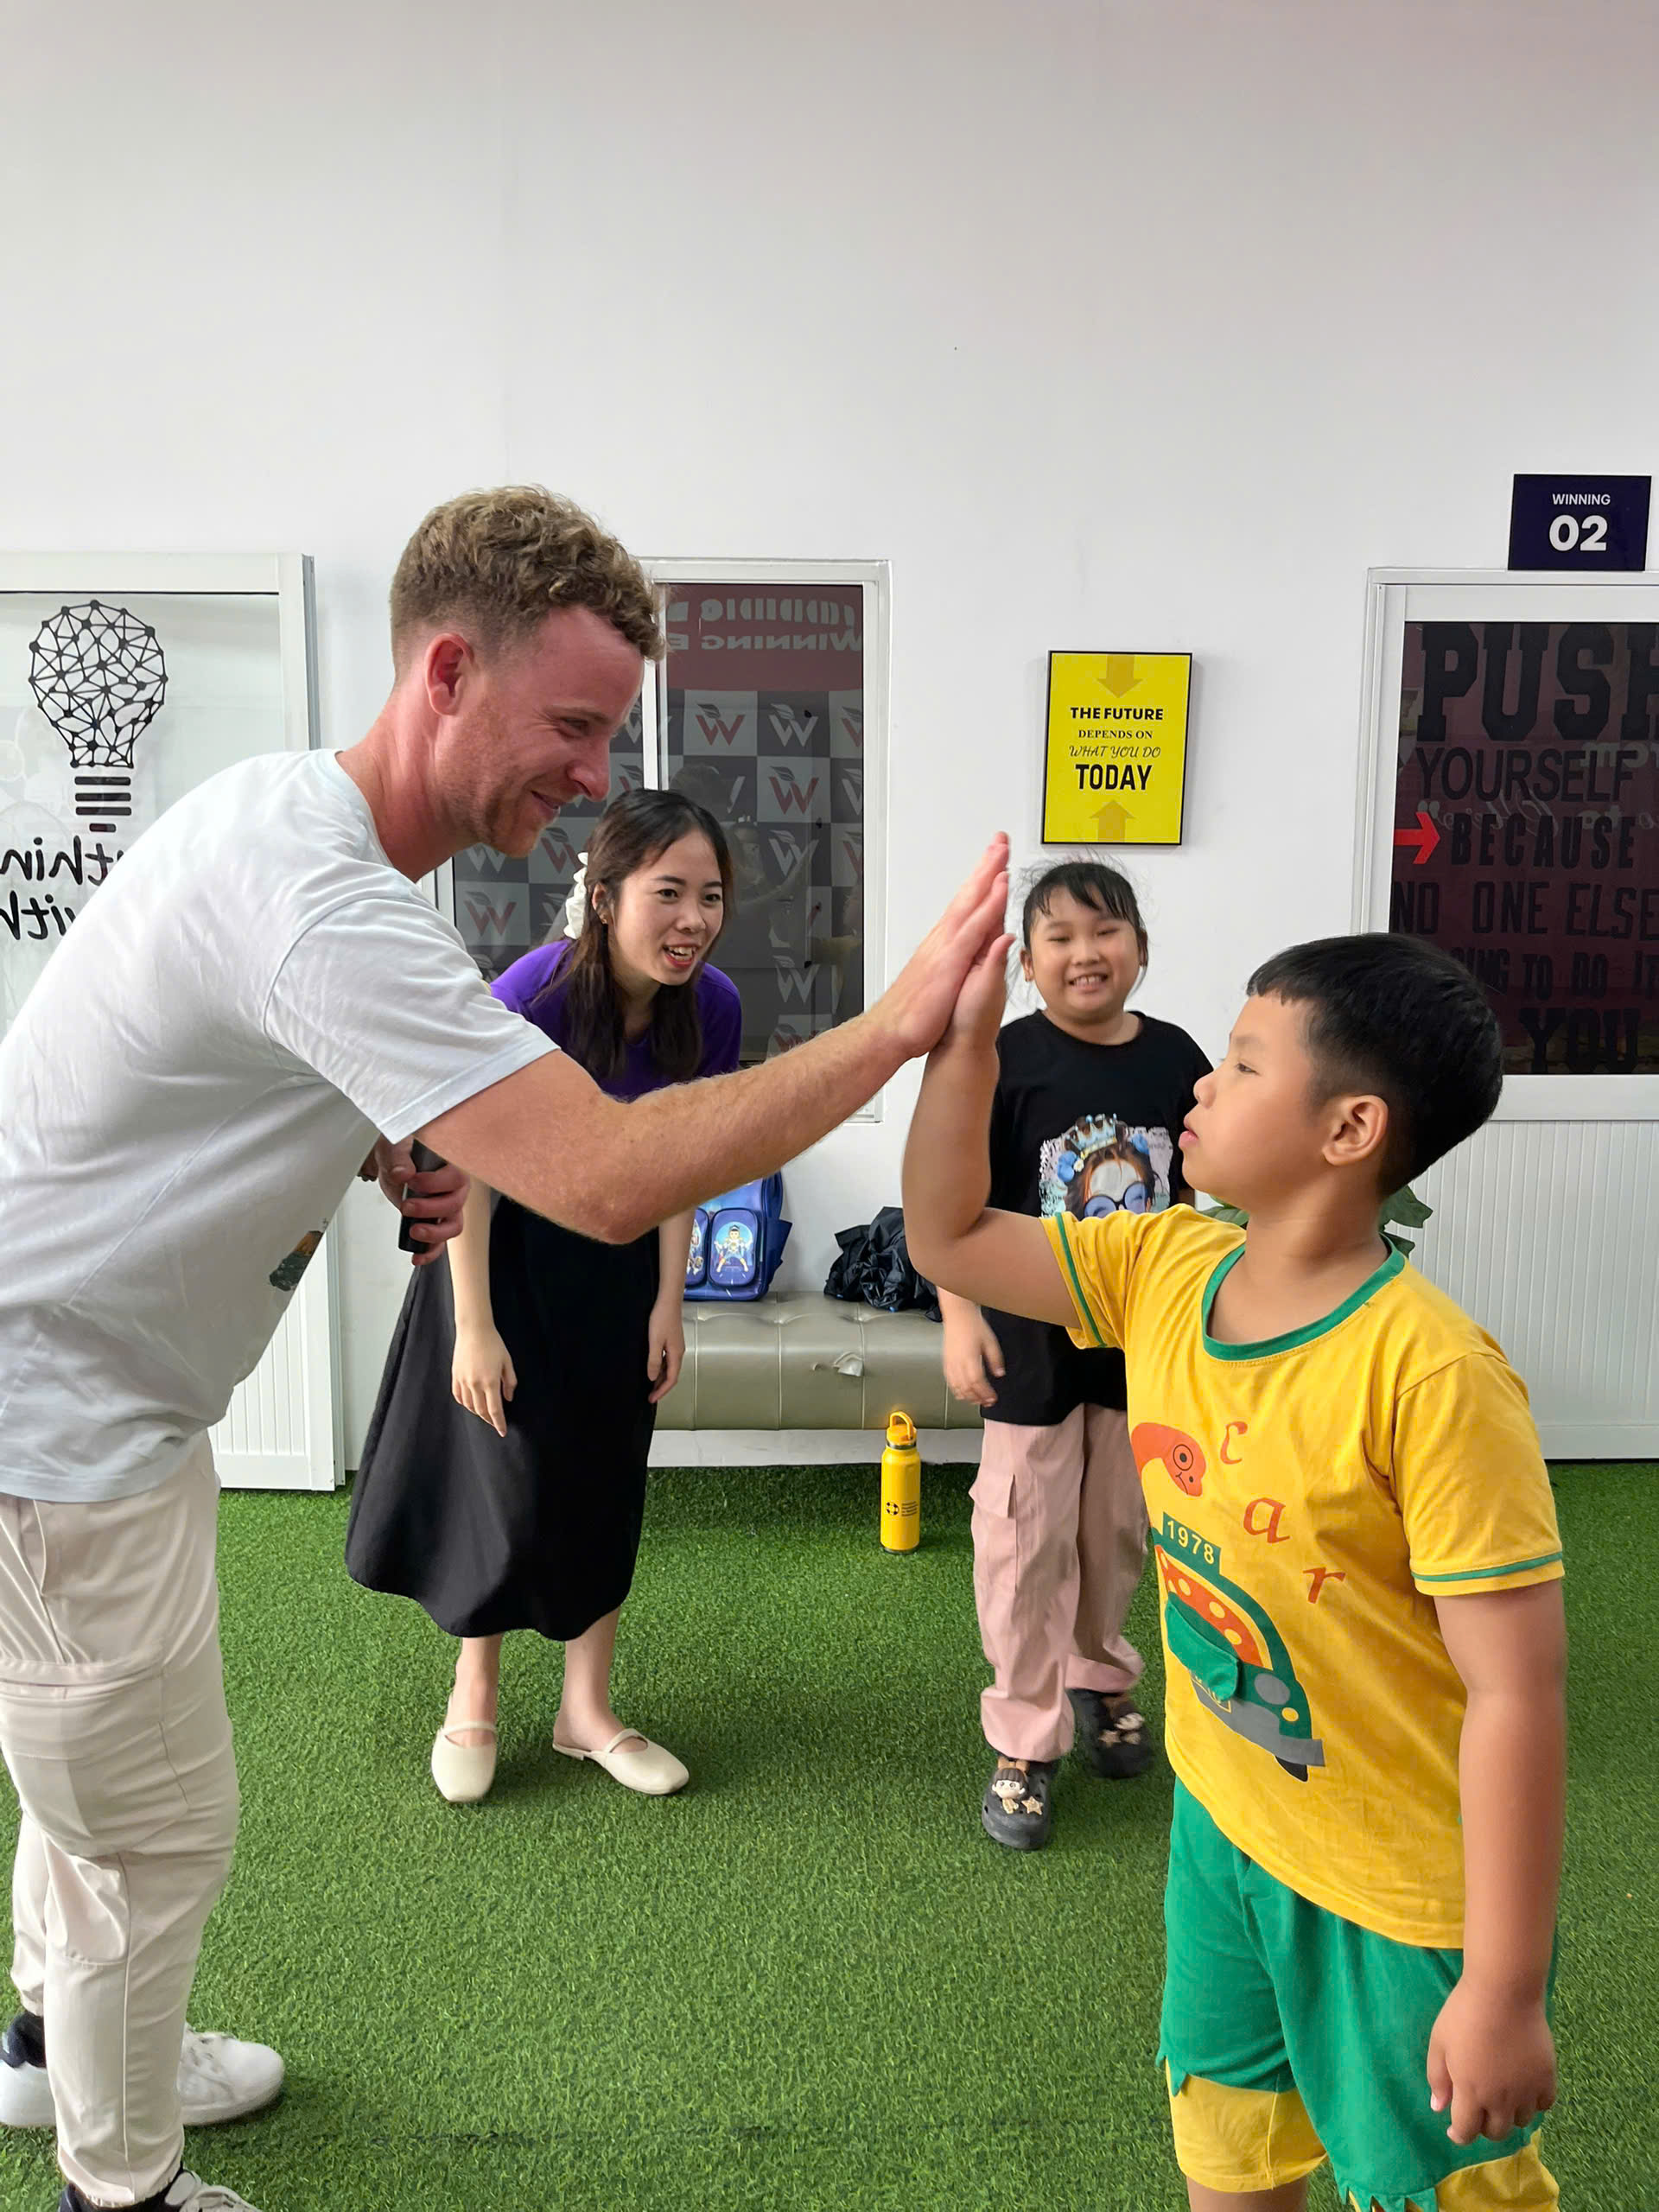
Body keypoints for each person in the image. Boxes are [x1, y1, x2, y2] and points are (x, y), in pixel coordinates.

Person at [0, 483, 1010, 2212]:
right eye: (573, 726)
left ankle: (55, 2048)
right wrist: (899, 1027)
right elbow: (609, 1175)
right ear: (449, 672)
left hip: (97, 1405)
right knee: (146, 1834)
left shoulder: (285, 831)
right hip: (59, 1425)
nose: (595, 777)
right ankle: (124, 2183)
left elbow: (240, 1059)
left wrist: (378, 1138)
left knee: (96, 1807)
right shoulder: (326, 900)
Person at [904, 930, 1565, 2212]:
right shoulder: (1162, 1263)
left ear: (1350, 1129)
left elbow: (1518, 1693)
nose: (1202, 1082)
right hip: (1225, 1831)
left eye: (1247, 1064)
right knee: (1229, 2160)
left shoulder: (1433, 1375)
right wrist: (967, 1041)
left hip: (1396, 1897)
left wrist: (1502, 1988)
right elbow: (945, 1235)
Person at [346, 788, 741, 1804]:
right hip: (498, 1251)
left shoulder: (715, 1008)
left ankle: (586, 1710)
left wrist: (669, 1301)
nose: (693, 918)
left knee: (605, 1471)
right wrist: (472, 1325)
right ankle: (473, 1691)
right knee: (498, 1470)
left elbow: (679, 1164)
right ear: (604, 898)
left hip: (616, 1259)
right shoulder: (534, 993)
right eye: (668, 892)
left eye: (709, 896)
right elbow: (462, 1161)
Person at [940, 861, 1209, 1850]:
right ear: (1027, 960)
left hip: (1142, 1343)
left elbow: (1203, 1192)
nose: (1084, 953)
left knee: (1117, 1530)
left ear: (1140, 947)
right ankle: (1023, 1734)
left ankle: (1097, 1673)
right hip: (1028, 1344)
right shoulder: (1004, 1058)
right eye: (1059, 936)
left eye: (1105, 931)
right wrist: (959, 1314)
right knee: (1026, 1540)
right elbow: (949, 1198)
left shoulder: (1178, 1057)